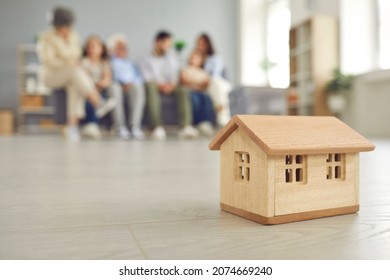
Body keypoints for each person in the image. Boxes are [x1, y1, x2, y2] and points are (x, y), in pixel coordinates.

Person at [37, 6, 103, 141]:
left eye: (67, 25)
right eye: (62, 26)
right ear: (56, 26)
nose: (66, 29)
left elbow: (78, 57)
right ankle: (96, 98)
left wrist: (71, 63)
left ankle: (72, 127)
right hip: (51, 75)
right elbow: (48, 61)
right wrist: (68, 63)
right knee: (74, 72)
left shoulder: (74, 36)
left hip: (71, 75)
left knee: (74, 85)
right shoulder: (46, 38)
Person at [140, 31, 199, 140]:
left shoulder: (172, 58)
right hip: (155, 86)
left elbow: (175, 75)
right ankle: (156, 127)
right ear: (158, 42)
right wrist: (161, 86)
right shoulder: (146, 59)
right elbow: (147, 78)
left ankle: (185, 126)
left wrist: (171, 85)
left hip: (171, 85)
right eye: (166, 43)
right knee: (150, 87)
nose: (168, 47)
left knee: (183, 90)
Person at [108, 34, 145, 140]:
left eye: (124, 48)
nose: (122, 50)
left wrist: (132, 83)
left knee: (139, 89)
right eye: (119, 48)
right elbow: (110, 76)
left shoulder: (132, 63)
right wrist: (121, 83)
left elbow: (139, 77)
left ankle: (135, 126)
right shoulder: (110, 61)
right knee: (114, 88)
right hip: (117, 85)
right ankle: (119, 127)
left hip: (131, 86)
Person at [80, 35, 117, 139]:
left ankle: (93, 125)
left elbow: (107, 79)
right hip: (86, 89)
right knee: (89, 97)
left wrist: (98, 86)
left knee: (97, 93)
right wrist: (92, 89)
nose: (93, 49)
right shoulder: (84, 62)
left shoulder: (104, 63)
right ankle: (93, 123)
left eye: (95, 46)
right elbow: (83, 79)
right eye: (90, 46)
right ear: (86, 49)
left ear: (102, 49)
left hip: (100, 89)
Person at [196, 33, 232, 127]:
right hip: (206, 86)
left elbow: (216, 73)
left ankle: (222, 118)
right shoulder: (197, 59)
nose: (200, 46)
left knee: (216, 83)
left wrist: (209, 79)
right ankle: (223, 117)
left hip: (220, 83)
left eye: (202, 44)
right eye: (198, 44)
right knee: (215, 88)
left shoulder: (215, 58)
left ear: (208, 44)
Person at [180, 50, 214, 136]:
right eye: (192, 57)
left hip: (202, 92)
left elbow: (206, 83)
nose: (193, 59)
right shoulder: (186, 69)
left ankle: (205, 123)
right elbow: (185, 81)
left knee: (206, 99)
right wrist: (198, 83)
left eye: (196, 58)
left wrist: (194, 83)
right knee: (194, 99)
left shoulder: (203, 72)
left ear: (201, 60)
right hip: (191, 92)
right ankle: (196, 123)